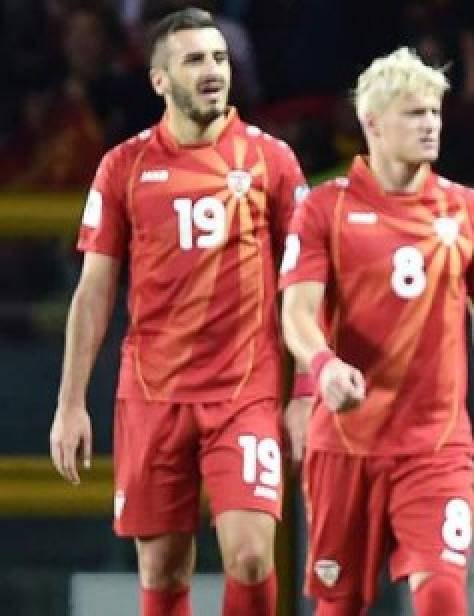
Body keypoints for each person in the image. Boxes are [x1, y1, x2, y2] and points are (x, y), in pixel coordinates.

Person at [47, 8, 309, 616]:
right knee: (161, 570)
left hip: (245, 390)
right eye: (194, 60)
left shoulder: (273, 161)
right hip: (152, 392)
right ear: (159, 80)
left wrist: (305, 391)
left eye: (219, 58)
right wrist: (69, 402)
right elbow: (93, 291)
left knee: (249, 556)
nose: (213, 71)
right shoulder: (123, 167)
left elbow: (306, 284)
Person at [279, 47, 474, 616]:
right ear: (372, 123)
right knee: (341, 606)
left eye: (434, 113)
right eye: (414, 114)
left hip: (435, 448)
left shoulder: (470, 210)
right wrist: (324, 366)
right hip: (344, 444)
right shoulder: (323, 208)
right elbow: (295, 312)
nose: (430, 125)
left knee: (441, 595)